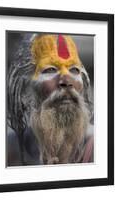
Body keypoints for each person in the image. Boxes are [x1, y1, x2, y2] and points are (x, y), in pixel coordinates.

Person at [7, 34, 94, 166]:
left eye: (74, 69)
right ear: (26, 89)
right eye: (50, 69)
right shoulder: (11, 147)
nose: (66, 81)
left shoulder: (98, 145)